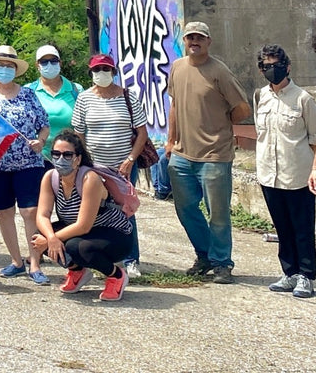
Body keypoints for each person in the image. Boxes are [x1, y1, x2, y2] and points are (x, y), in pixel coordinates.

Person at [164, 21, 250, 283]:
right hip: (182, 155)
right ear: (184, 41)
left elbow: (242, 108)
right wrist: (170, 140)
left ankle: (223, 263)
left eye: (199, 38)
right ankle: (205, 256)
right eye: (190, 38)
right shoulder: (177, 68)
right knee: (186, 209)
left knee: (219, 214)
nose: (194, 42)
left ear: (208, 42)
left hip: (214, 155)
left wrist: (221, 125)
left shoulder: (218, 71)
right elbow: (175, 106)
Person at [0, 44, 50, 285]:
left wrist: (41, 140)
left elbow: (44, 124)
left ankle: (34, 263)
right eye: (1, 65)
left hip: (28, 163)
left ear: (16, 69)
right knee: (4, 213)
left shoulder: (28, 95)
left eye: (9, 66)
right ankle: (16, 261)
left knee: (30, 212)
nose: (5, 69)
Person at [32, 127, 134, 303]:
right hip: (85, 233)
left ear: (78, 158)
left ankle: (116, 275)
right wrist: (49, 237)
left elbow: (83, 225)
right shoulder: (50, 177)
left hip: (115, 235)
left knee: (75, 247)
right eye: (56, 154)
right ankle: (78, 270)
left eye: (67, 155)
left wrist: (52, 239)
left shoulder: (89, 179)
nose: (60, 159)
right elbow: (42, 215)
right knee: (39, 236)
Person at [70, 52, 150, 278]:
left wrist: (130, 160)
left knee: (126, 210)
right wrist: (87, 164)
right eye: (97, 70)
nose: (101, 74)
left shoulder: (128, 97)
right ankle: (99, 257)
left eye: (106, 69)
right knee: (95, 211)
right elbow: (79, 133)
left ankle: (131, 258)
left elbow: (141, 133)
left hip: (123, 166)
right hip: (95, 167)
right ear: (90, 73)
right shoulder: (84, 99)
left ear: (114, 72)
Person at [252, 44, 316, 298]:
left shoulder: (303, 98)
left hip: (297, 174)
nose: (273, 71)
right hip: (269, 173)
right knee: (282, 227)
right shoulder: (260, 96)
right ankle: (289, 273)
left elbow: (314, 137)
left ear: (287, 66)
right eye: (267, 67)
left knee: (302, 228)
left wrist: (314, 169)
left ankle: (307, 276)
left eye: (277, 66)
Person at [30, 44, 82, 150]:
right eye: (44, 62)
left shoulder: (76, 90)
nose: (49, 64)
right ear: (37, 65)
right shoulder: (28, 91)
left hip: (69, 157)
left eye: (53, 60)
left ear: (60, 63)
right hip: (38, 158)